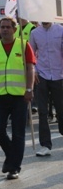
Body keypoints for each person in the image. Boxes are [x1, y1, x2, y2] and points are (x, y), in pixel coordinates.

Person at [0, 17, 35, 179]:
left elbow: (30, 69)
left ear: (14, 29)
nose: (4, 30)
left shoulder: (24, 45)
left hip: (19, 96)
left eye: (8, 27)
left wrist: (29, 89)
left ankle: (14, 167)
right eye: (2, 27)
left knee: (18, 133)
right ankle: (12, 156)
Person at [29, 21, 63, 157]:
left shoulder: (60, 30)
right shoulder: (35, 33)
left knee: (61, 109)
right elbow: (31, 55)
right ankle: (45, 145)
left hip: (59, 75)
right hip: (41, 75)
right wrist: (34, 70)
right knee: (42, 111)